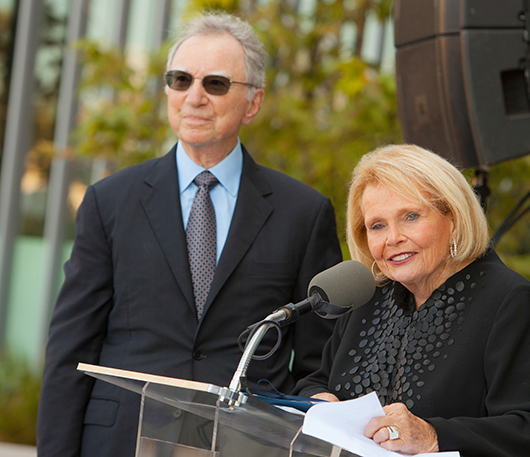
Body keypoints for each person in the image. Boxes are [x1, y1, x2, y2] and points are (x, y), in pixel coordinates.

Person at [36, 12, 342, 457]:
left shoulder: (304, 212)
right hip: (117, 442)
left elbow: (319, 362)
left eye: (215, 83)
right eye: (180, 80)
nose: (193, 96)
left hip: (243, 445)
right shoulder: (109, 201)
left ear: (253, 103)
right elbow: (71, 347)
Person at [294, 144, 530, 457]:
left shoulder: (512, 302)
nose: (392, 238)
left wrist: (434, 436)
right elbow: (316, 380)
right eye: (377, 225)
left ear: (453, 217)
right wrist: (318, 399)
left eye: (410, 216)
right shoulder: (369, 295)